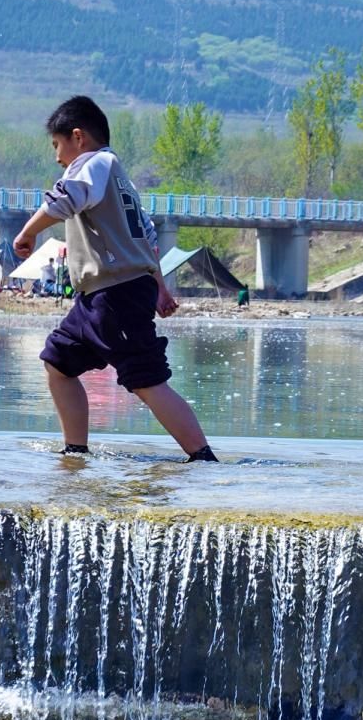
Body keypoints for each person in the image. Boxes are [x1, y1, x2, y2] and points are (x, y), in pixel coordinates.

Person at [13, 95, 218, 462]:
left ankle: (203, 458)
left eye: (57, 146)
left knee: (146, 379)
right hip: (102, 296)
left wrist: (28, 232)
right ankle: (75, 453)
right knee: (58, 361)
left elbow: (66, 197)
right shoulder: (119, 179)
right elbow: (145, 238)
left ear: (79, 138)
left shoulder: (94, 163)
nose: (57, 158)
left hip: (115, 295)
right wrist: (159, 288)